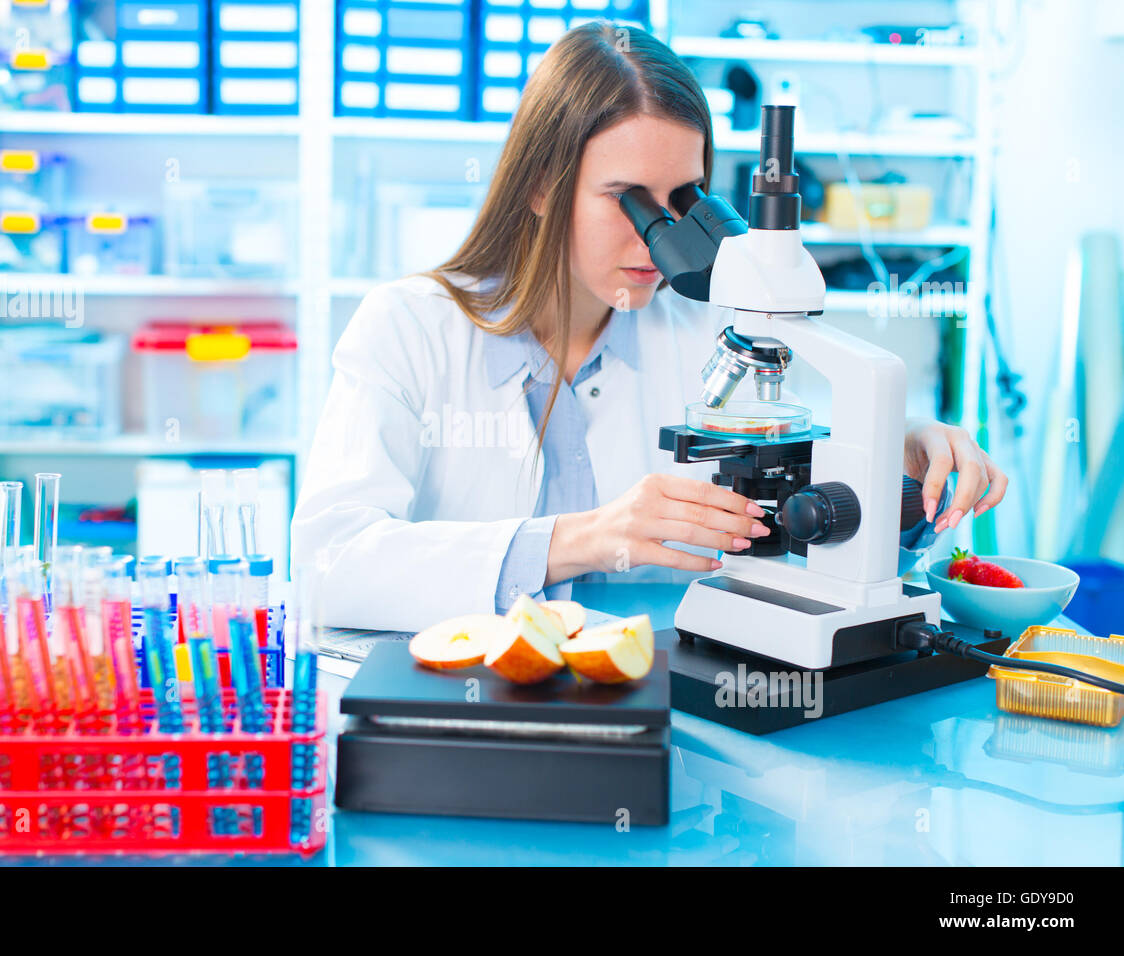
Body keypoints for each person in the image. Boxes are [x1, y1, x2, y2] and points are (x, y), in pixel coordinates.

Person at [292, 22, 1007, 631]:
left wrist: (897, 466)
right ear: (542, 184)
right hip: (464, 703)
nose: (656, 242)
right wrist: (585, 540)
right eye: (627, 201)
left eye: (679, 203)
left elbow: (796, 533)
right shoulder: (410, 327)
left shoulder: (708, 337)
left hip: (659, 704)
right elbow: (328, 564)